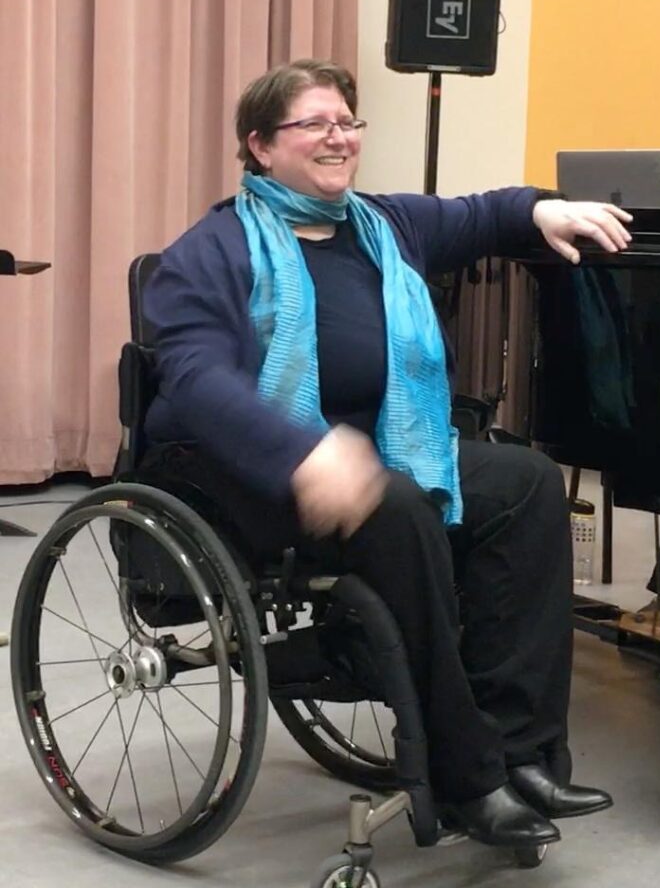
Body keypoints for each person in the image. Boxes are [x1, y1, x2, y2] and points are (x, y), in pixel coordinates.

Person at [142, 59, 632, 849]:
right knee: (396, 505)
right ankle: (466, 773)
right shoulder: (211, 251)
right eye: (316, 123)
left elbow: (481, 213)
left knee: (525, 483)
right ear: (260, 146)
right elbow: (196, 379)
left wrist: (546, 208)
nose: (339, 137)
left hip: (384, 451)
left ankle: (523, 749)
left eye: (347, 122)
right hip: (258, 470)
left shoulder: (383, 226)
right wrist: (306, 452)